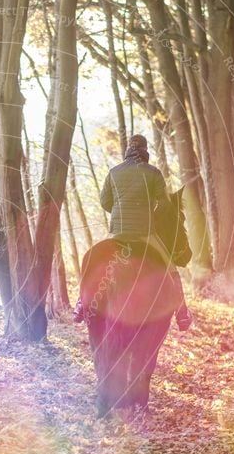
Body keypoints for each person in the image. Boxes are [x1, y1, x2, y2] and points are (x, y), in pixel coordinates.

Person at [75, 134, 191, 330]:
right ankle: (182, 315)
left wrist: (121, 211)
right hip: (145, 233)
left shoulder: (114, 172)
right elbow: (164, 204)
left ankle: (80, 304)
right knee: (171, 269)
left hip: (117, 233)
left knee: (93, 264)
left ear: (128, 150)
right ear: (145, 151)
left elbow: (105, 202)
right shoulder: (153, 173)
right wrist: (150, 214)